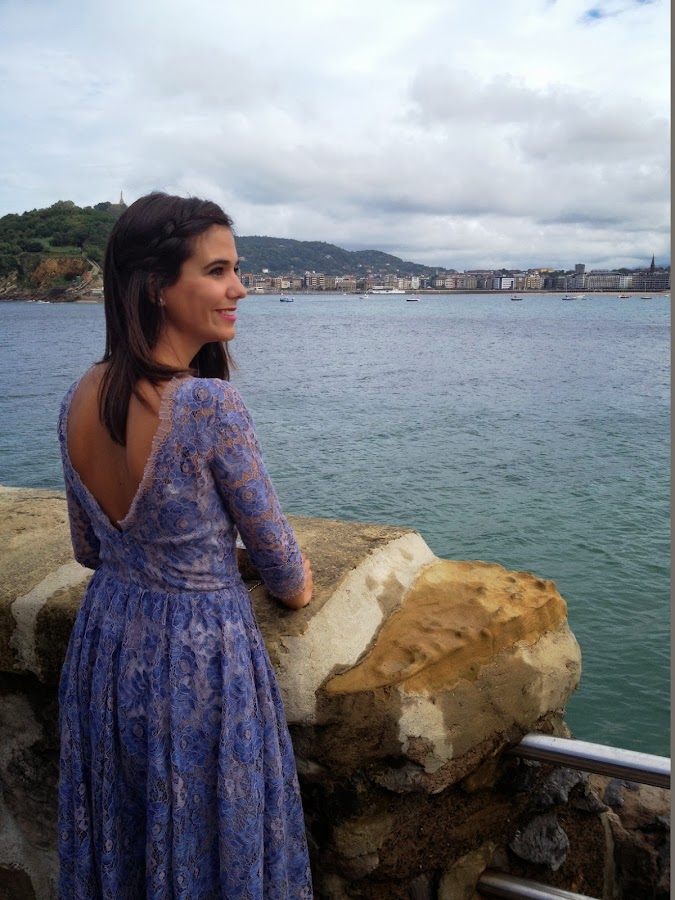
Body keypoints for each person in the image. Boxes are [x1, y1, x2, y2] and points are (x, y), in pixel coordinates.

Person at [57, 192, 314, 899]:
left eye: (237, 269)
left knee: (123, 845)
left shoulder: (79, 395)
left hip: (106, 647)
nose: (240, 288)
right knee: (206, 851)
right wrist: (256, 572)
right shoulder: (207, 404)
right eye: (218, 270)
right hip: (198, 663)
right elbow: (288, 576)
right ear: (156, 287)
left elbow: (89, 548)